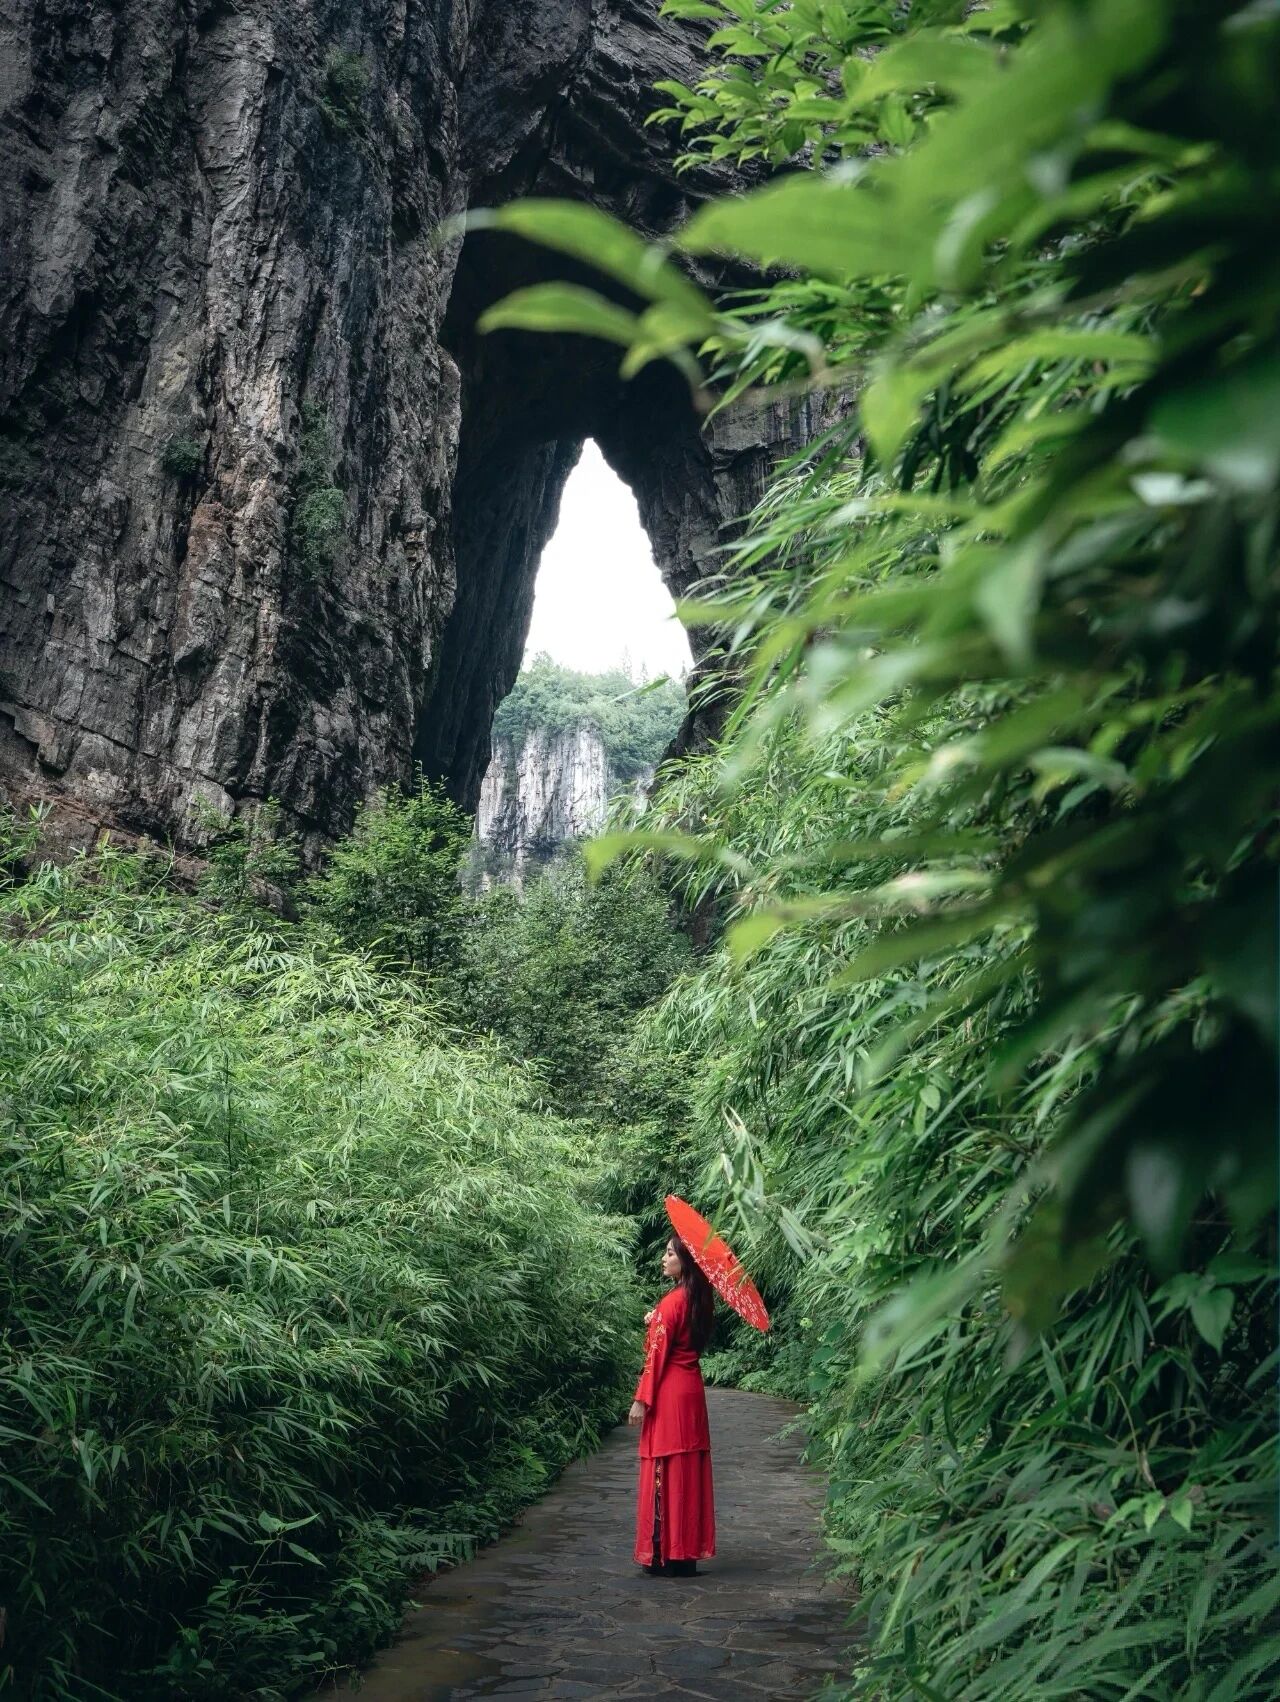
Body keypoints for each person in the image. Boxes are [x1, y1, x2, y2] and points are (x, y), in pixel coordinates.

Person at [628, 1234, 716, 1577]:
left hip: (669, 1393)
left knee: (664, 1467)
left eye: (669, 1253)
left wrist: (641, 1400)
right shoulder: (698, 1299)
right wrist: (656, 1321)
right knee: (687, 1469)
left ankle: (662, 1554)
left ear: (686, 1260)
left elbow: (656, 1357)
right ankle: (684, 1554)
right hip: (691, 1391)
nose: (663, 1259)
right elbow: (678, 1341)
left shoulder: (671, 1303)